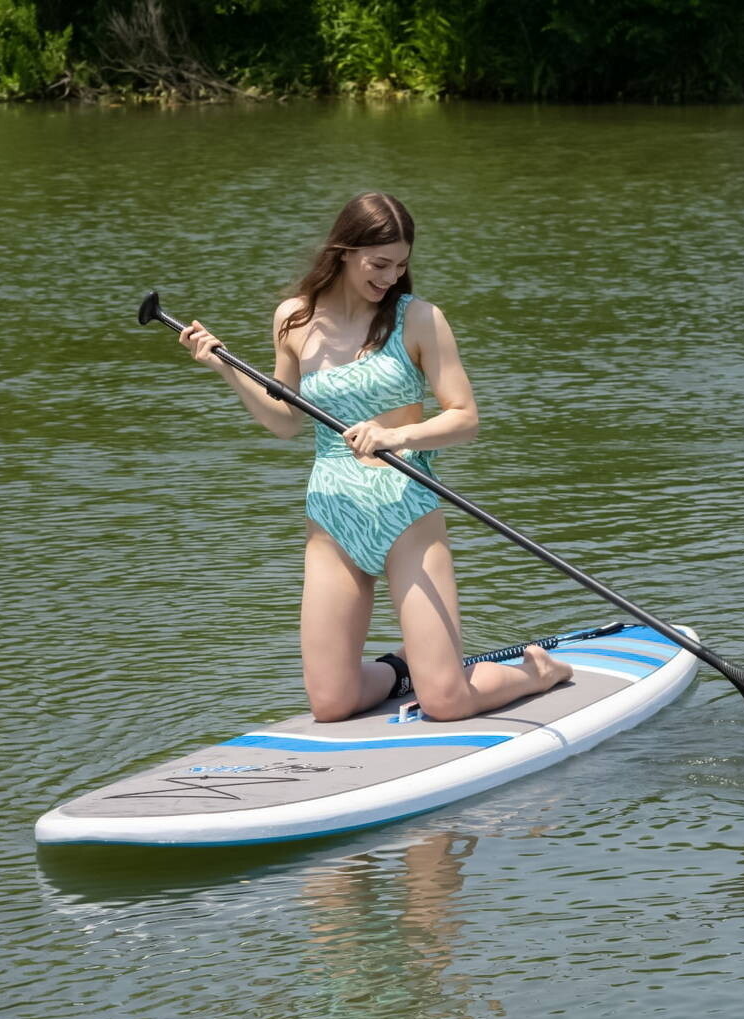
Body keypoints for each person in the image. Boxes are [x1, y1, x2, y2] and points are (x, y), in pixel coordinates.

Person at [179, 190, 572, 721]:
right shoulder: (293, 319)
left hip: (406, 507)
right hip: (332, 513)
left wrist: (395, 436)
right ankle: (403, 667)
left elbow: (464, 418)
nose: (390, 277)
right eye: (379, 264)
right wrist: (225, 368)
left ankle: (537, 671)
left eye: (401, 265)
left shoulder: (419, 320)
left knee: (446, 702)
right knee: (331, 703)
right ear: (345, 251)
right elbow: (285, 421)